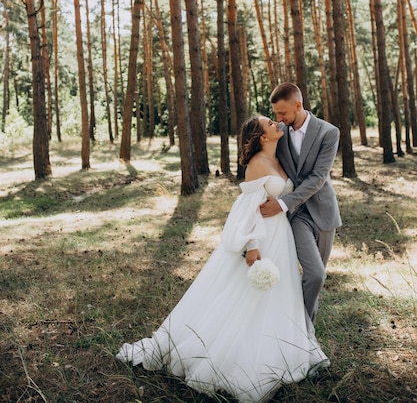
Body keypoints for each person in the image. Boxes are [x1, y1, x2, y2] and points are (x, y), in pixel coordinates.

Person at [116, 115, 329, 403]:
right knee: (246, 297)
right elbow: (247, 210)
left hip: (282, 237)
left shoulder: (278, 157)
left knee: (278, 296)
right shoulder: (256, 166)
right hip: (263, 238)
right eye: (269, 122)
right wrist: (252, 245)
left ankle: (285, 347)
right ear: (262, 137)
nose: (276, 123)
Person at [260, 82, 341, 323]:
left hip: (324, 212)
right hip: (296, 215)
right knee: (315, 274)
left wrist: (283, 202)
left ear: (298, 105)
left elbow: (318, 178)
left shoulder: (329, 132)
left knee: (315, 279)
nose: (279, 118)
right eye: (275, 114)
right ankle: (300, 332)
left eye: (283, 113)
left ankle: (306, 335)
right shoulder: (279, 134)